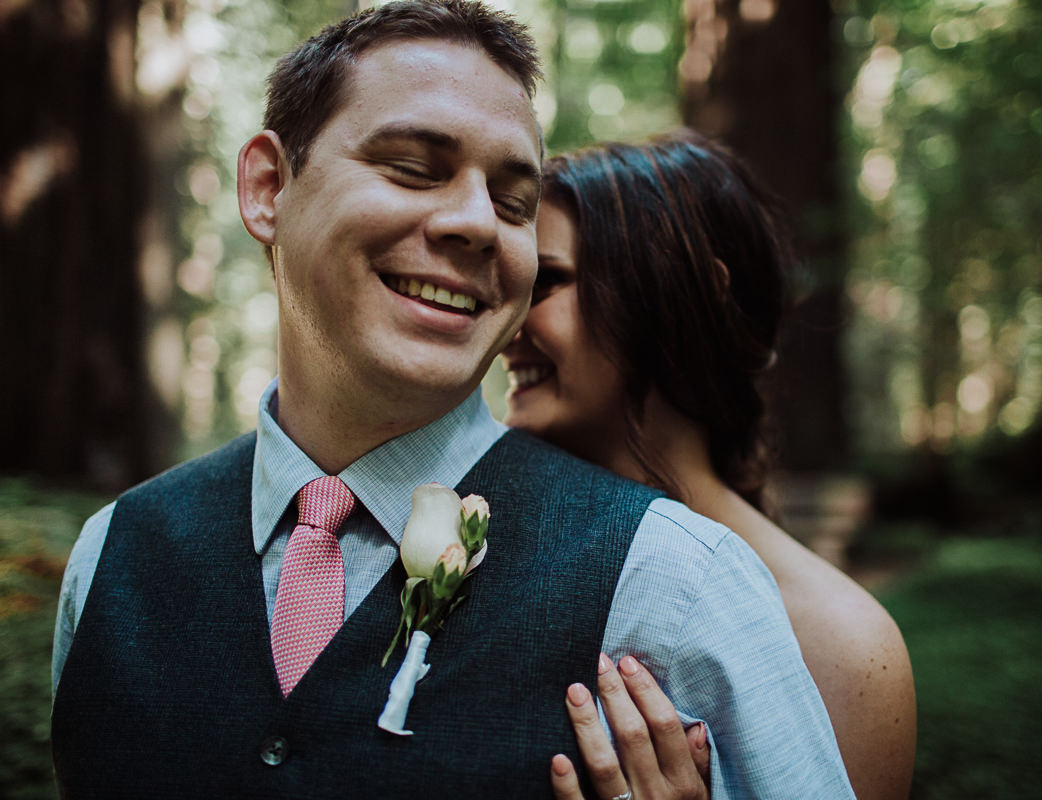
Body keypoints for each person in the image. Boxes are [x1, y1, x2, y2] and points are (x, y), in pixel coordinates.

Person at [49, 2, 854, 798]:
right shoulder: (110, 557)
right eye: (413, 167)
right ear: (268, 188)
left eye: (513, 201)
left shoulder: (675, 584)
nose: (478, 223)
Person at [503, 132, 917, 800]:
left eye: (544, 283)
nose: (506, 321)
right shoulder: (482, 535)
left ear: (686, 293)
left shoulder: (844, 648)